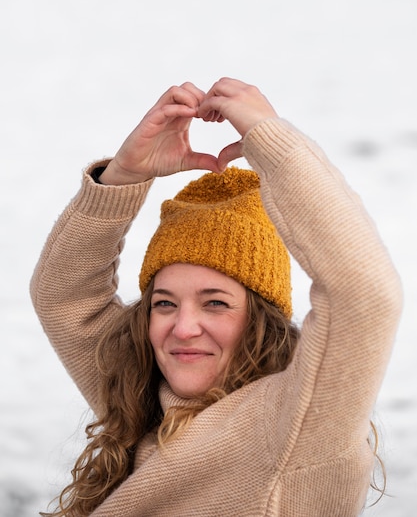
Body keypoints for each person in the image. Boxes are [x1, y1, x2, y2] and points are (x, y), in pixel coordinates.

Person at [30, 78, 402, 517]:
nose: (183, 328)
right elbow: (63, 296)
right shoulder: (141, 395)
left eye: (216, 303)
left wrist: (273, 142)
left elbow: (364, 294)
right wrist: (125, 177)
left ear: (260, 320)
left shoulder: (296, 425)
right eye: (164, 303)